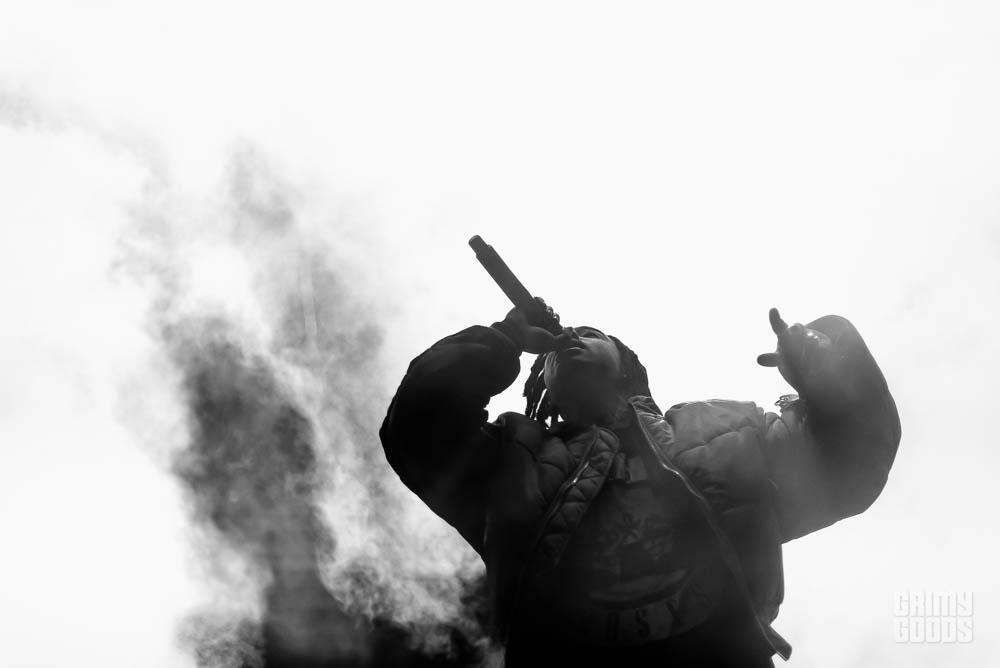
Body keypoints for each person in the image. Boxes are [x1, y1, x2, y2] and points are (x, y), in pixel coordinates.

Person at [379, 299, 901, 666]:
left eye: (589, 335)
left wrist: (825, 372)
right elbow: (417, 431)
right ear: (546, 390)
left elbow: (851, 463)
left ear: (625, 362)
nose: (570, 341)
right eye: (552, 352)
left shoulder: (728, 428)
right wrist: (504, 340)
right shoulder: (513, 459)